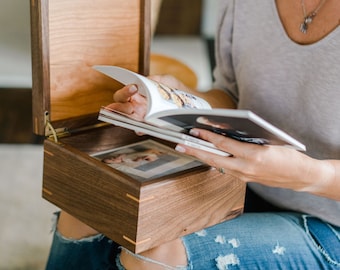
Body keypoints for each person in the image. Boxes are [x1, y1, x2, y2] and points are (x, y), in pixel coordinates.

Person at [46, 0, 340, 269]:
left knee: (154, 254)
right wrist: (178, 98)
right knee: (94, 197)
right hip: (241, 180)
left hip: (330, 220)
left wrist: (309, 175)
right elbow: (233, 94)